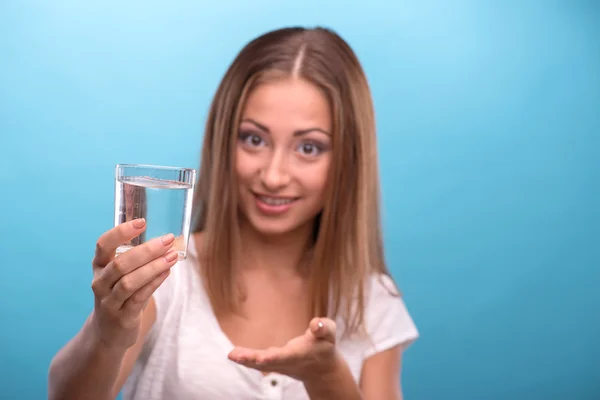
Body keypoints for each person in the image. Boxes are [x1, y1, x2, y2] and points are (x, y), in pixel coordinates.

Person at [48, 26, 419, 400]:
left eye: (309, 147)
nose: (274, 176)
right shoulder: (167, 274)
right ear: (224, 140)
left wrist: (328, 378)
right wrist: (107, 334)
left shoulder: (372, 300)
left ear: (349, 160)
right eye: (254, 139)